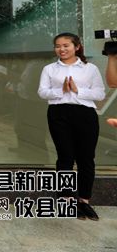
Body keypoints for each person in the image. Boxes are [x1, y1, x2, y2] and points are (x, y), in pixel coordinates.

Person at [38, 32, 105, 220]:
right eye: (58, 46)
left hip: (85, 114)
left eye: (66, 45)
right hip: (58, 114)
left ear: (77, 47)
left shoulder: (90, 68)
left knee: (86, 158)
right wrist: (61, 91)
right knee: (65, 157)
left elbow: (99, 93)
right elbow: (42, 92)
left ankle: (84, 201)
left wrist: (78, 90)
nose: (61, 49)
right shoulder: (49, 69)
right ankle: (66, 199)